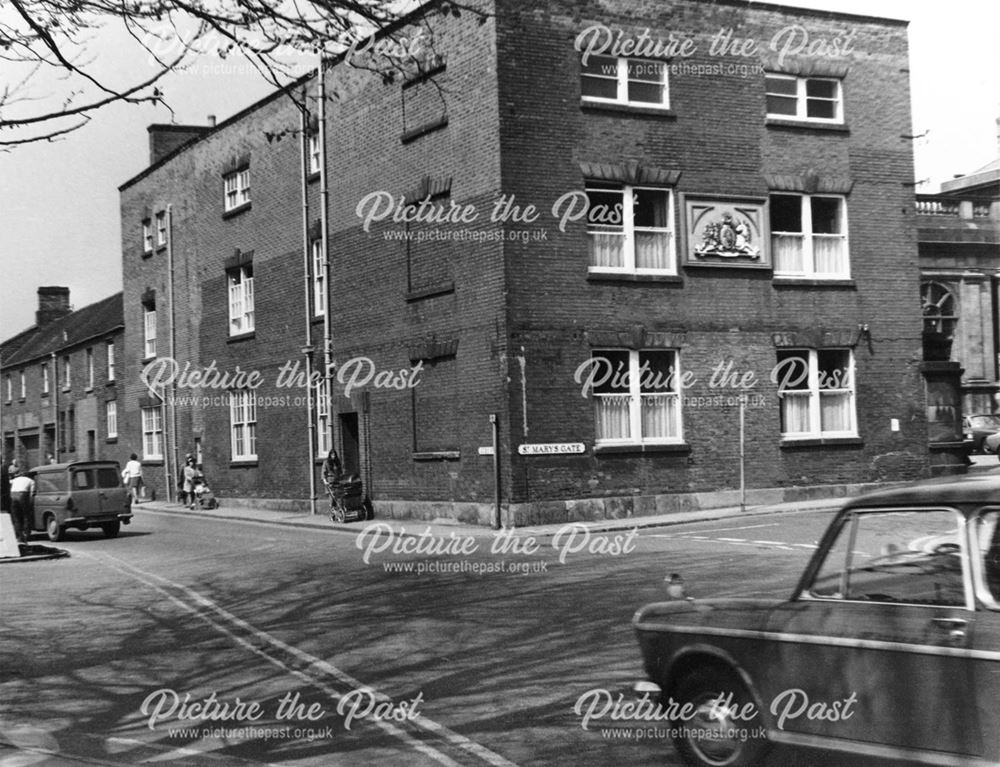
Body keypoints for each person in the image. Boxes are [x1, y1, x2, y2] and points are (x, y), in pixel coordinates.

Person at [9, 468, 35, 545]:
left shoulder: (15, 480)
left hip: (13, 495)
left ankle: (18, 536)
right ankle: (26, 534)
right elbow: (32, 493)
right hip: (23, 496)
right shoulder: (31, 481)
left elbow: (9, 483)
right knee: (26, 515)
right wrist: (30, 503)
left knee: (16, 516)